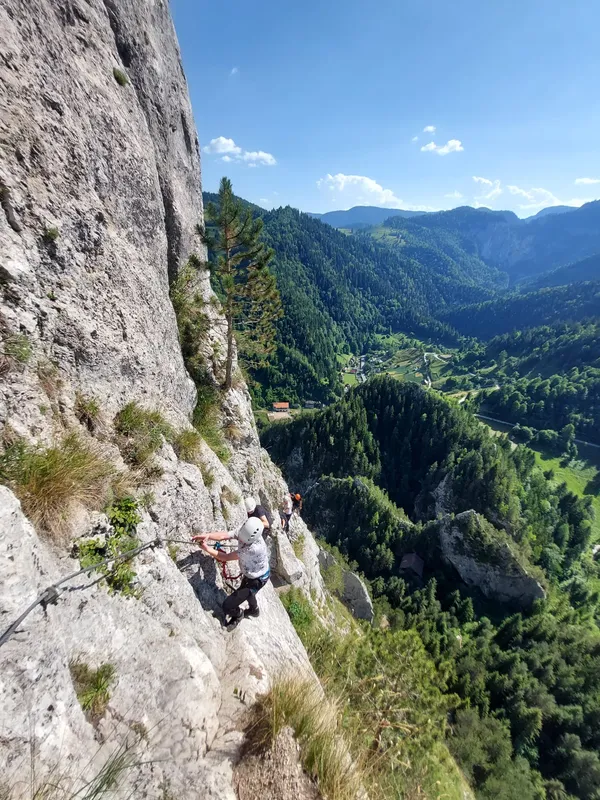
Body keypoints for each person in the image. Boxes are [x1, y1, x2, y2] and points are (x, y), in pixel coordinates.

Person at [192, 518, 270, 630]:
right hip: (255, 574)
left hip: (257, 579)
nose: (241, 541)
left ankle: (239, 614)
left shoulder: (253, 548)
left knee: (227, 606)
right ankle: (254, 610)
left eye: (244, 541)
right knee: (248, 592)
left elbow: (226, 557)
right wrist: (207, 535)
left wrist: (207, 549)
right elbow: (224, 536)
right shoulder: (246, 532)